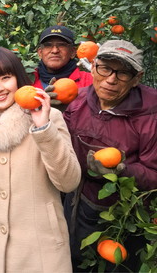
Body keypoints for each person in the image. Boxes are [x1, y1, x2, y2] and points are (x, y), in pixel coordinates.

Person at [0, 46, 81, 272]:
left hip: (40, 250)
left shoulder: (48, 116)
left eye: (6, 77)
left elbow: (69, 181)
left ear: (18, 78)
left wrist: (44, 129)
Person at [63, 40, 157, 271]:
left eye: (123, 72)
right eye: (105, 68)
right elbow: (61, 148)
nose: (111, 79)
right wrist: (51, 113)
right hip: (78, 203)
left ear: (137, 78)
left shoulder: (151, 114)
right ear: (93, 67)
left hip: (124, 214)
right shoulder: (77, 101)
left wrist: (124, 170)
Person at [34, 25, 92, 90]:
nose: (55, 50)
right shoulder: (28, 79)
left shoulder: (90, 81)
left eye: (62, 45)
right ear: (40, 53)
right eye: (48, 45)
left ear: (72, 52)